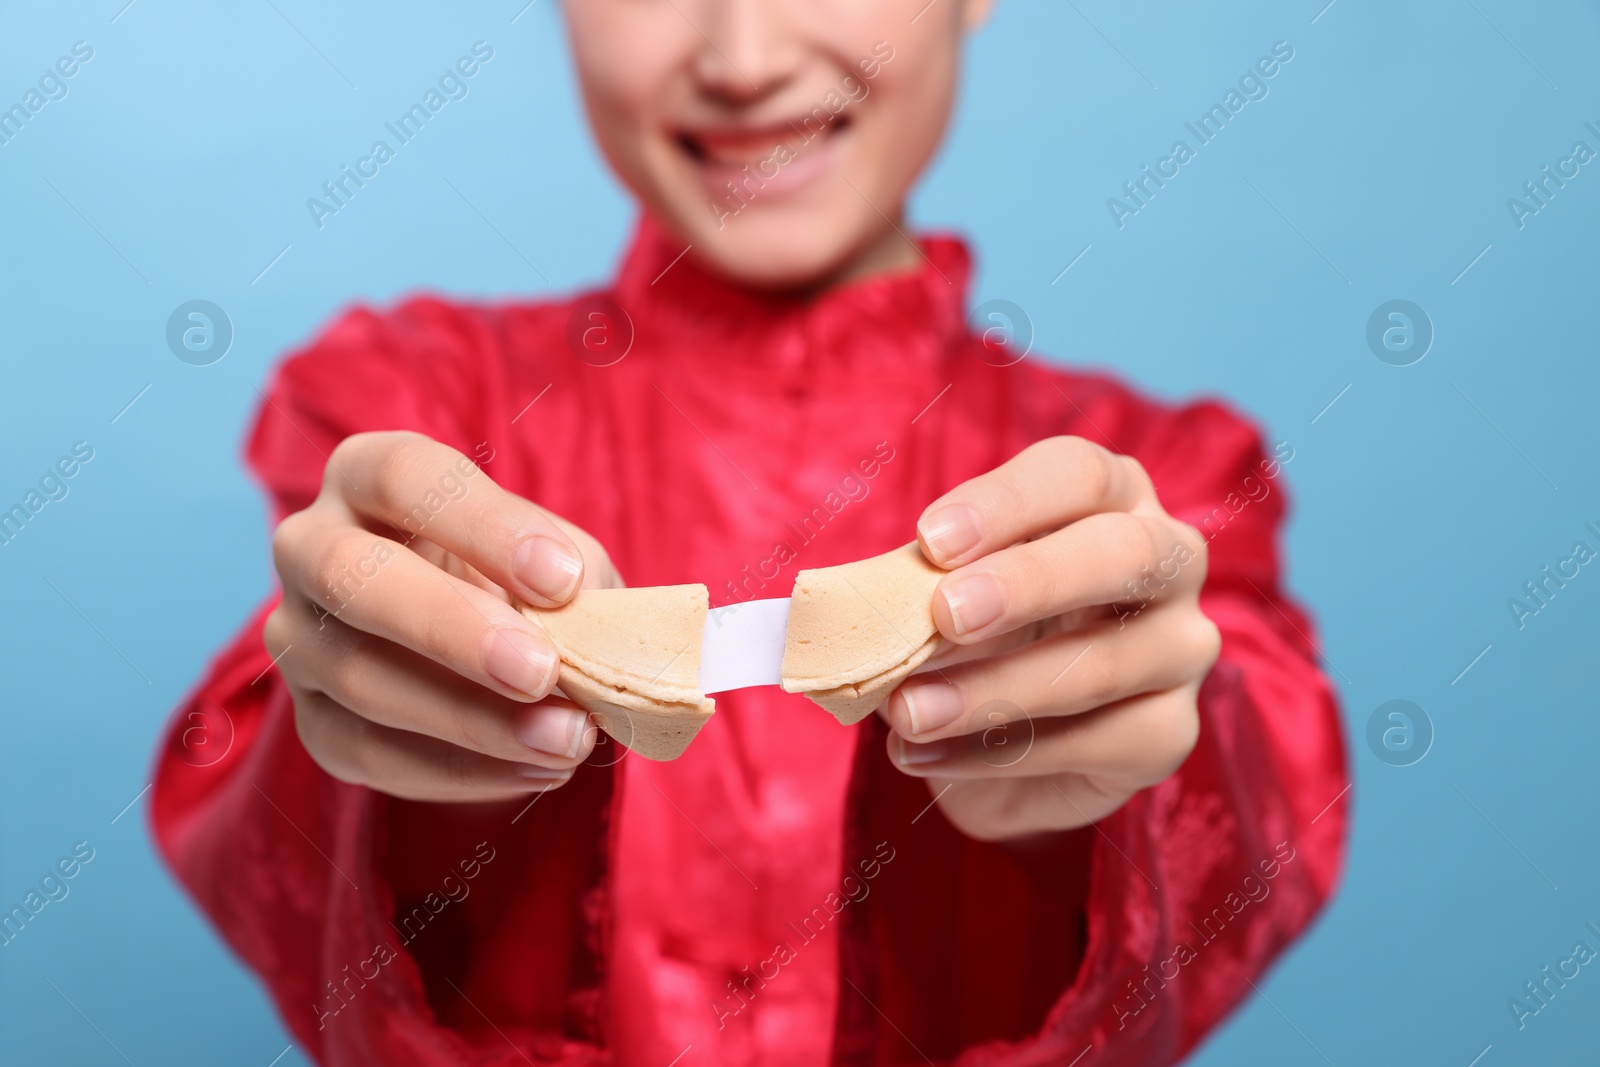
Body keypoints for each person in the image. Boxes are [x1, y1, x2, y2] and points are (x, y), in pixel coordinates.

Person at [151, 1, 1347, 1064]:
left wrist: (1102, 790)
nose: (742, 55)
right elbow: (266, 843)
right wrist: (405, 746)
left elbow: (1264, 827)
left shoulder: (1169, 484)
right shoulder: (410, 415)